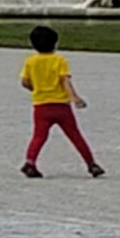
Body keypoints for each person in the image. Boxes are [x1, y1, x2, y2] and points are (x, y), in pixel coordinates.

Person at [20, 23, 102, 177]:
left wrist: (36, 89)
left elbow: (25, 82)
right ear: (55, 43)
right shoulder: (59, 60)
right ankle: (91, 164)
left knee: (39, 136)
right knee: (75, 136)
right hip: (61, 106)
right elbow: (65, 81)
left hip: (41, 106)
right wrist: (75, 98)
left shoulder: (30, 62)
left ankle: (30, 162)